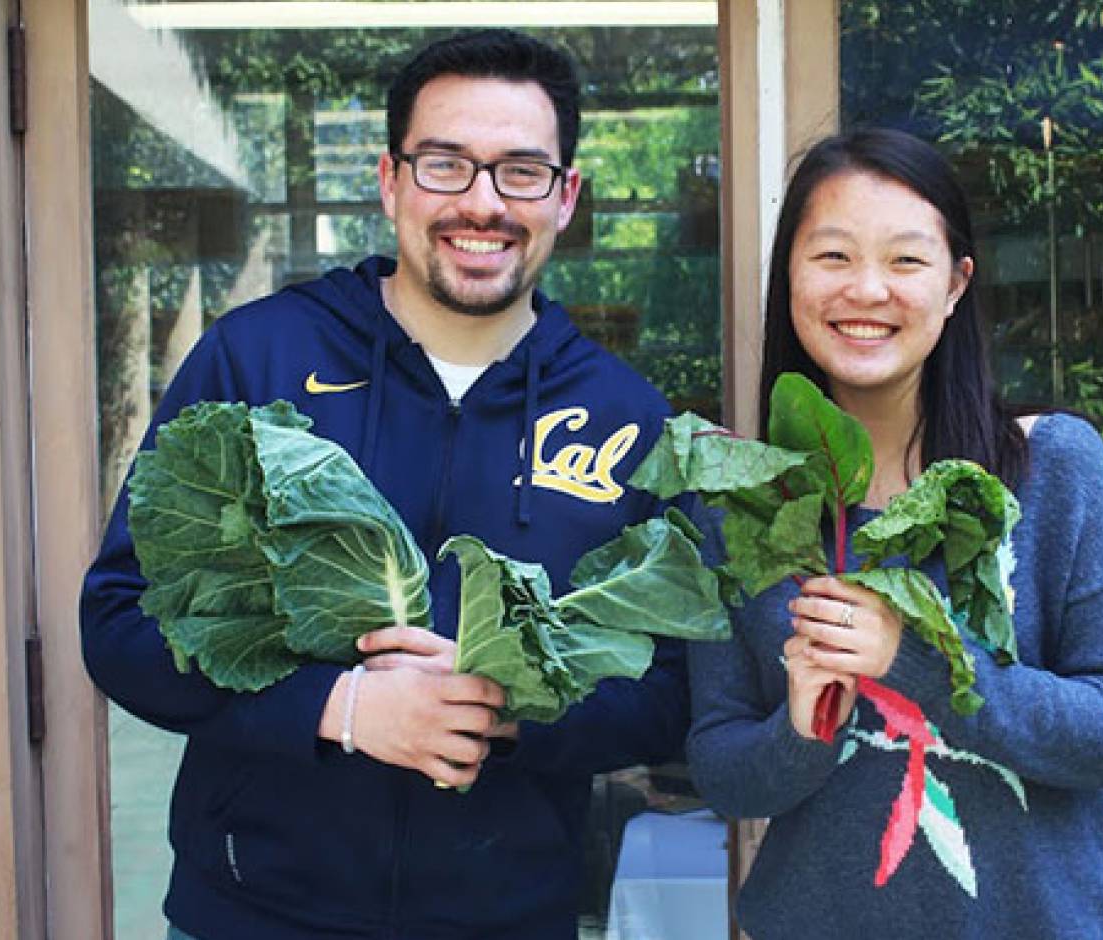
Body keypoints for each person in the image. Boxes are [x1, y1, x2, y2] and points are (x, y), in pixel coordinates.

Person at [80, 30, 690, 940]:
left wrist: (510, 712)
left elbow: (669, 687)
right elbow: (122, 623)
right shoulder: (257, 361)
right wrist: (343, 708)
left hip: (507, 919)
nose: (482, 202)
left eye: (521, 171)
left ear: (565, 196)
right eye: (446, 163)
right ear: (390, 179)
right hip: (252, 915)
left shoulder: (627, 421)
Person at [686, 127, 1103, 938]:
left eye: (906, 260)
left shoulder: (1056, 468)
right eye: (832, 256)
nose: (867, 290)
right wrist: (800, 729)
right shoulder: (739, 504)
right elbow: (723, 775)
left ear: (955, 285)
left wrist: (916, 660)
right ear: (789, 279)